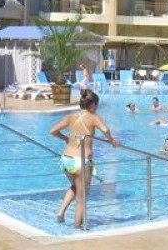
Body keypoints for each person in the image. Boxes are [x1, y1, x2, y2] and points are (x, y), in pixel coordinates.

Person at [50, 89, 119, 228]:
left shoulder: (71, 116)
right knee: (82, 199)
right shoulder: (94, 117)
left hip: (66, 159)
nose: (97, 107)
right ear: (92, 105)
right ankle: (77, 229)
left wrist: (66, 138)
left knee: (75, 187)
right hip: (82, 161)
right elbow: (105, 130)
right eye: (97, 105)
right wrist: (112, 141)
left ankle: (61, 212)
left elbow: (53, 131)